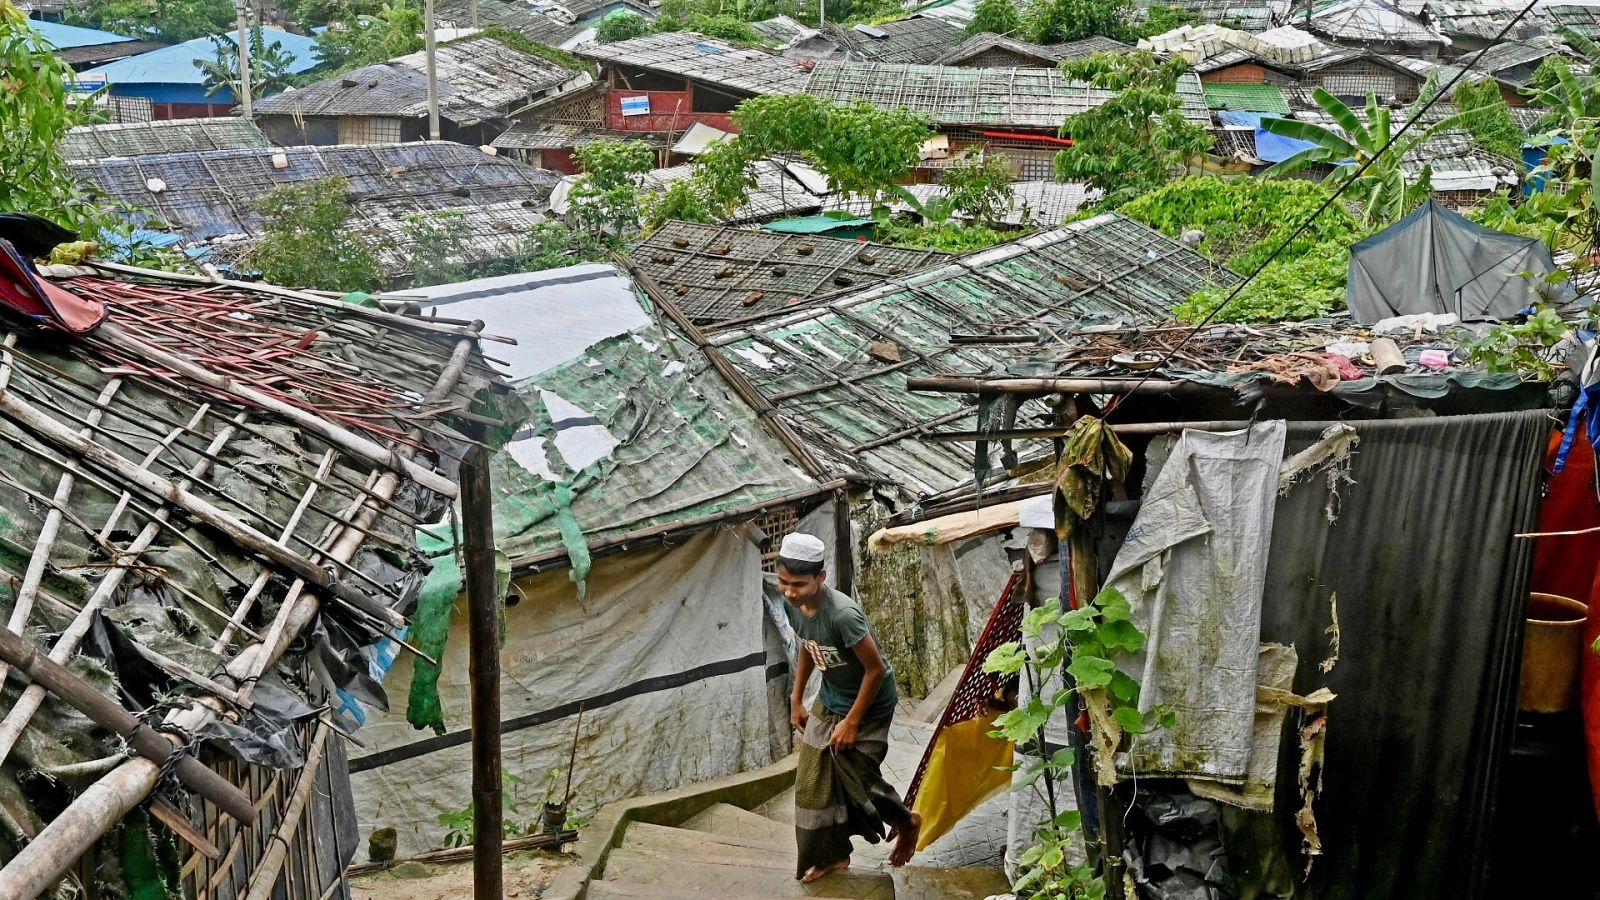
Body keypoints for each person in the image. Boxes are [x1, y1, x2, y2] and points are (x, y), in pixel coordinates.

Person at [775, 532, 921, 883]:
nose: (789, 592)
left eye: (798, 584)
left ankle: (906, 821)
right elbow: (809, 648)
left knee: (855, 773)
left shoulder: (843, 615)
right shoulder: (791, 605)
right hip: (831, 697)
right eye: (783, 582)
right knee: (812, 784)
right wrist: (796, 699)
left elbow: (876, 670)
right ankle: (832, 855)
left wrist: (852, 722)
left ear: (821, 577)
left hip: (870, 704)